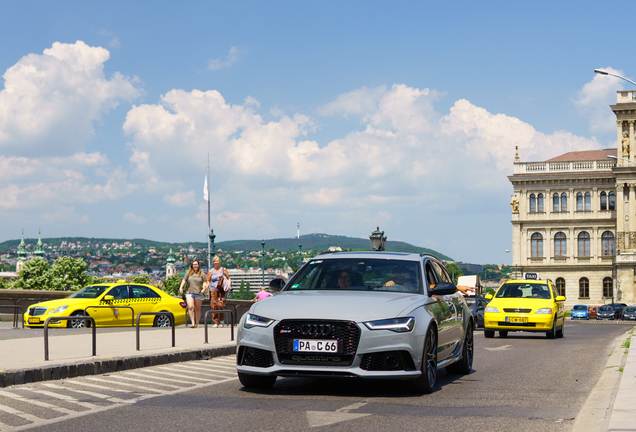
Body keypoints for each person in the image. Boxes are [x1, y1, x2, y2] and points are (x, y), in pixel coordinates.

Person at [179, 260, 208, 328]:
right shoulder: (189, 273)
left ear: (198, 265)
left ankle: (197, 323)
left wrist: (204, 289)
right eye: (194, 264)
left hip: (199, 293)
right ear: (192, 265)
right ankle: (193, 322)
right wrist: (181, 288)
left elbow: (204, 282)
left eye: (196, 264)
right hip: (189, 292)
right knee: (190, 307)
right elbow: (184, 280)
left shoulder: (202, 274)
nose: (195, 266)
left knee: (197, 309)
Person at [207, 256, 231, 327]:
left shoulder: (223, 270)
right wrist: (205, 287)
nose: (216, 262)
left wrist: (229, 285)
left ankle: (222, 320)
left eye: (217, 261)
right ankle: (215, 321)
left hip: (221, 289)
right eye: (214, 261)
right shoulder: (211, 271)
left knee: (220, 304)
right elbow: (208, 280)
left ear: (220, 262)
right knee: (213, 304)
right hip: (213, 288)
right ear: (213, 262)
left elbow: (228, 278)